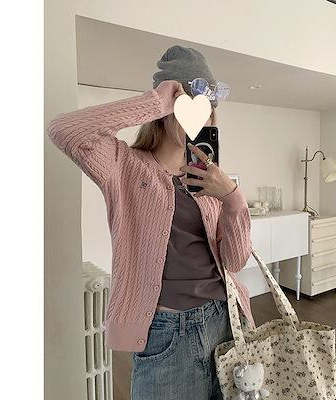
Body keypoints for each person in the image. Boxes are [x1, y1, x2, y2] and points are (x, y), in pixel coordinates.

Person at [47, 45, 255, 399]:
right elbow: (65, 129)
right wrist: (155, 101)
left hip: (224, 321)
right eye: (190, 109)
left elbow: (234, 262)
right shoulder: (124, 166)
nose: (201, 122)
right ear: (166, 111)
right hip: (166, 332)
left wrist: (232, 197)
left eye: (208, 113)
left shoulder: (209, 179)